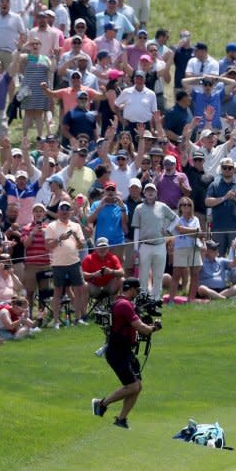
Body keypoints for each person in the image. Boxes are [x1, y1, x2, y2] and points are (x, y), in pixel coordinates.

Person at [91, 277, 162, 429]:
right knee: (132, 386)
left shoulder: (121, 303)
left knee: (137, 386)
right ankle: (101, 404)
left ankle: (121, 419)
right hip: (118, 352)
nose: (137, 293)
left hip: (124, 351)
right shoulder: (124, 305)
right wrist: (154, 328)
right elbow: (141, 328)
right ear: (131, 289)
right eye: (137, 290)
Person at [45, 200, 88, 327]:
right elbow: (48, 246)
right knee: (58, 291)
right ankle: (56, 321)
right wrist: (59, 239)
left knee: (79, 290)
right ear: (58, 212)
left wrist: (74, 236)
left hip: (74, 262)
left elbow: (81, 246)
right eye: (62, 209)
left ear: (70, 212)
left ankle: (78, 318)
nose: (64, 211)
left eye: (67, 209)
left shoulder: (76, 226)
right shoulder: (51, 226)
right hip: (58, 264)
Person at [131, 183, 177, 301]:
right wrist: (136, 248)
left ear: (156, 193)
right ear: (144, 193)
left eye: (152, 191)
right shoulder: (139, 208)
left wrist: (168, 230)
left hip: (160, 245)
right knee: (143, 275)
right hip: (145, 246)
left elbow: (176, 218)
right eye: (148, 191)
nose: (150, 193)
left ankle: (156, 299)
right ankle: (143, 298)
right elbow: (137, 229)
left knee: (158, 275)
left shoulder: (162, 206)